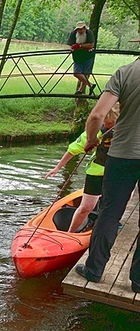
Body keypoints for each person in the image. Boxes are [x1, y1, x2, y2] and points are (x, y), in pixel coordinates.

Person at [75, 57, 140, 291]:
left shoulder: (125, 73)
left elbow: (96, 116)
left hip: (122, 153)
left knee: (109, 213)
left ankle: (94, 269)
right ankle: (139, 281)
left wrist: (92, 140)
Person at [44, 103, 119, 232]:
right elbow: (72, 150)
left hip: (118, 172)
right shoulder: (95, 131)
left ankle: (112, 221)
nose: (106, 126)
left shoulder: (128, 130)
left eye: (110, 124)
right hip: (97, 171)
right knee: (85, 207)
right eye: (105, 122)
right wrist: (57, 168)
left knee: (121, 200)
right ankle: (70, 232)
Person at [66, 21, 96, 95]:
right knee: (76, 73)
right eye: (79, 29)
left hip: (88, 56)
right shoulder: (73, 34)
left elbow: (91, 45)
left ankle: (80, 90)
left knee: (86, 73)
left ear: (85, 28)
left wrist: (79, 46)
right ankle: (91, 85)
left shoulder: (89, 33)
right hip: (77, 56)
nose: (81, 31)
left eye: (82, 29)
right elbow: (71, 44)